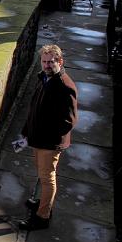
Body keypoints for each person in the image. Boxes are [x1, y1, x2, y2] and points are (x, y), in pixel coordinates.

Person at [18, 44, 78, 231]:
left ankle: (42, 216)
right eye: (44, 61)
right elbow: (35, 107)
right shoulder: (45, 78)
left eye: (50, 62)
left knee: (47, 177)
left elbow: (69, 121)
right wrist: (27, 132)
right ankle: (44, 203)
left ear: (60, 61)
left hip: (48, 142)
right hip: (38, 138)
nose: (46, 65)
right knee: (42, 174)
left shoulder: (64, 86)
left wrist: (48, 138)